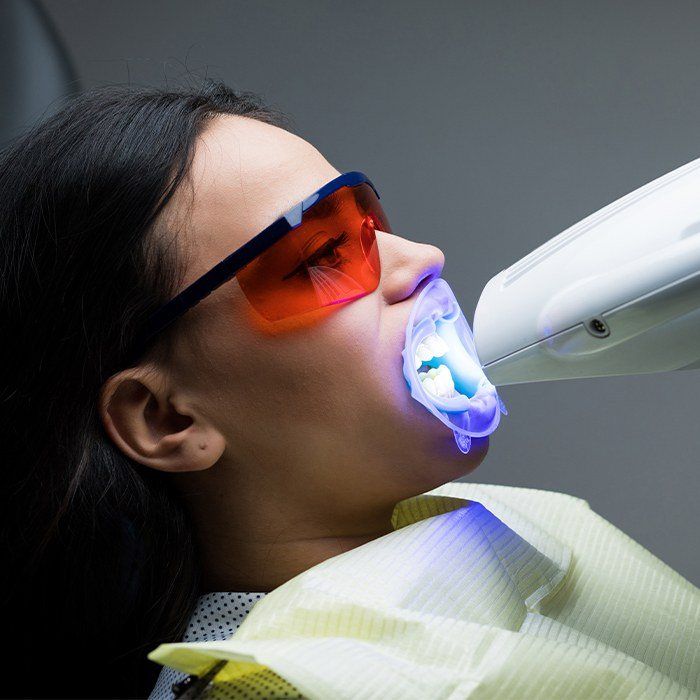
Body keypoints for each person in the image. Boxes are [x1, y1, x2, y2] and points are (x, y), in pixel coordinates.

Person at [1, 81, 697, 700]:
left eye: (369, 222)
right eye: (322, 256)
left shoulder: (495, 534)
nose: (423, 260)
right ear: (166, 417)